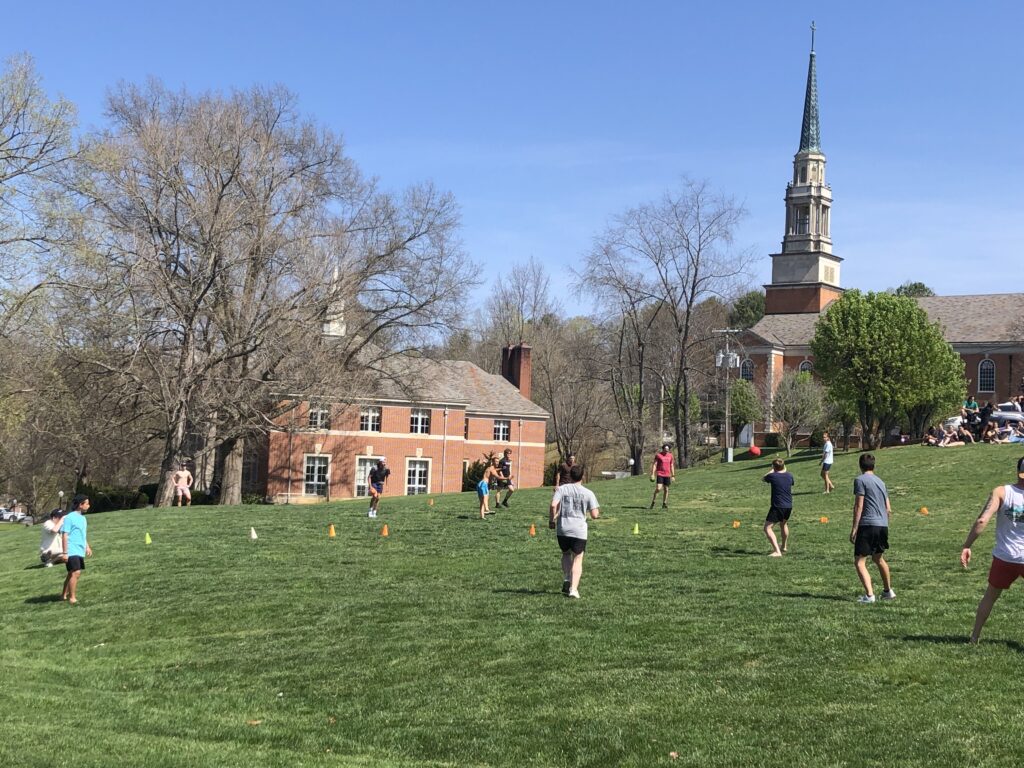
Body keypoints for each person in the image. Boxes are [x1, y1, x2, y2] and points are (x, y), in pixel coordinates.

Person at [959, 456, 1024, 643]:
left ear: (1018, 471)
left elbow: (982, 520)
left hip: (1004, 557)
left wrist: (967, 545)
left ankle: (974, 637)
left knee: (990, 597)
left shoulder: (1001, 492)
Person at [549, 464, 600, 599]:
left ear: (570, 475)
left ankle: (567, 577)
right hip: (579, 530)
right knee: (577, 558)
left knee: (566, 553)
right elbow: (595, 515)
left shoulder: (562, 489)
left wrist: (552, 520)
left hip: (563, 529)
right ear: (582, 476)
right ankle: (573, 589)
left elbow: (553, 505)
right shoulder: (588, 493)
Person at [850, 453, 895, 604]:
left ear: (860, 465)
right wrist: (885, 525)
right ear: (873, 466)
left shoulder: (860, 480)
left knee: (859, 561)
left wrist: (854, 528)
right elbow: (888, 508)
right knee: (878, 558)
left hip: (868, 524)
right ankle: (888, 591)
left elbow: (859, 505)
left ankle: (869, 596)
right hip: (882, 525)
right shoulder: (881, 482)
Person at [60, 495, 92, 605]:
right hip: (71, 550)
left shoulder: (83, 518)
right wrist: (65, 553)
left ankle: (63, 595)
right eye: (87, 503)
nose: (89, 505)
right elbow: (64, 535)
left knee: (71, 573)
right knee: (76, 572)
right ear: (80, 505)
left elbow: (82, 534)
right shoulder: (69, 517)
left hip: (80, 550)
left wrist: (87, 546)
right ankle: (72, 598)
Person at [762, 458, 795, 557]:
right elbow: (790, 481)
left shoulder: (772, 476)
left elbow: (763, 478)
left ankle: (777, 551)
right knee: (783, 524)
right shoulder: (789, 475)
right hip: (788, 505)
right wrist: (783, 469)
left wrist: (772, 470)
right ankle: (784, 546)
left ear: (774, 467)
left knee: (767, 528)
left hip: (778, 506)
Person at [649, 444, 675, 509]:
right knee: (658, 488)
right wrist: (653, 474)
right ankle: (653, 501)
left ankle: (664, 503)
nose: (667, 451)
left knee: (666, 489)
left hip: (667, 474)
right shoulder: (658, 455)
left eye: (668, 449)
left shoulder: (670, 456)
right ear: (663, 449)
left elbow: (671, 465)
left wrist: (673, 475)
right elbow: (655, 464)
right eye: (665, 449)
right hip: (660, 474)